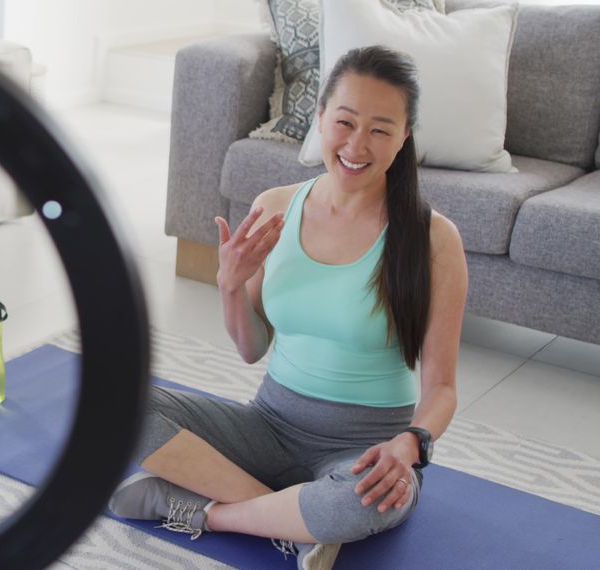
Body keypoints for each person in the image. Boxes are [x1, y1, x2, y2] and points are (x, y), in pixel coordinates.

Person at [108, 45, 468, 570]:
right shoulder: (275, 207)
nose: (356, 144)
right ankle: (296, 523)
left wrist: (409, 446)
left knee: (369, 499)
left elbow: (442, 389)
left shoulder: (435, 239)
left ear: (405, 136)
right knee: (116, 408)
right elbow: (252, 348)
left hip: (365, 450)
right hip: (269, 428)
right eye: (344, 121)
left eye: (380, 129)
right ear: (320, 118)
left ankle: (203, 511)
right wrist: (229, 284)